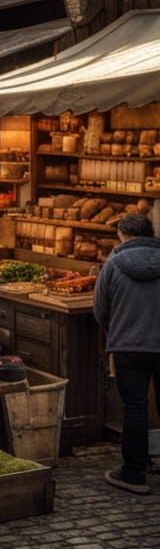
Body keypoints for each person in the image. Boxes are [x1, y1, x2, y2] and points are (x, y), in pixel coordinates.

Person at [93, 212, 160, 494]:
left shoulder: (112, 265)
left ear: (123, 234)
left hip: (127, 346)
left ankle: (133, 474)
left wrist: (119, 329)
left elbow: (100, 310)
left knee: (135, 407)